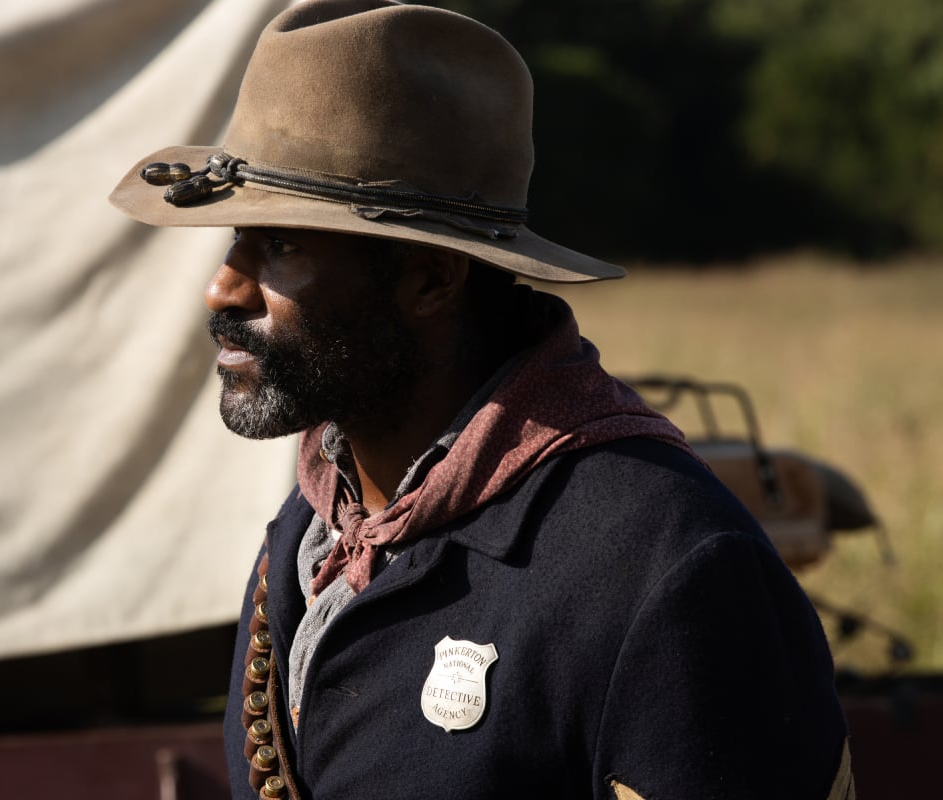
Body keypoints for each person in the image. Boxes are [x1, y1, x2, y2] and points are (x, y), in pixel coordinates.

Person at [109, 1, 853, 798]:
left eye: (282, 244)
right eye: (235, 242)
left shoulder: (663, 561)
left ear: (429, 279)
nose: (221, 288)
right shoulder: (311, 532)